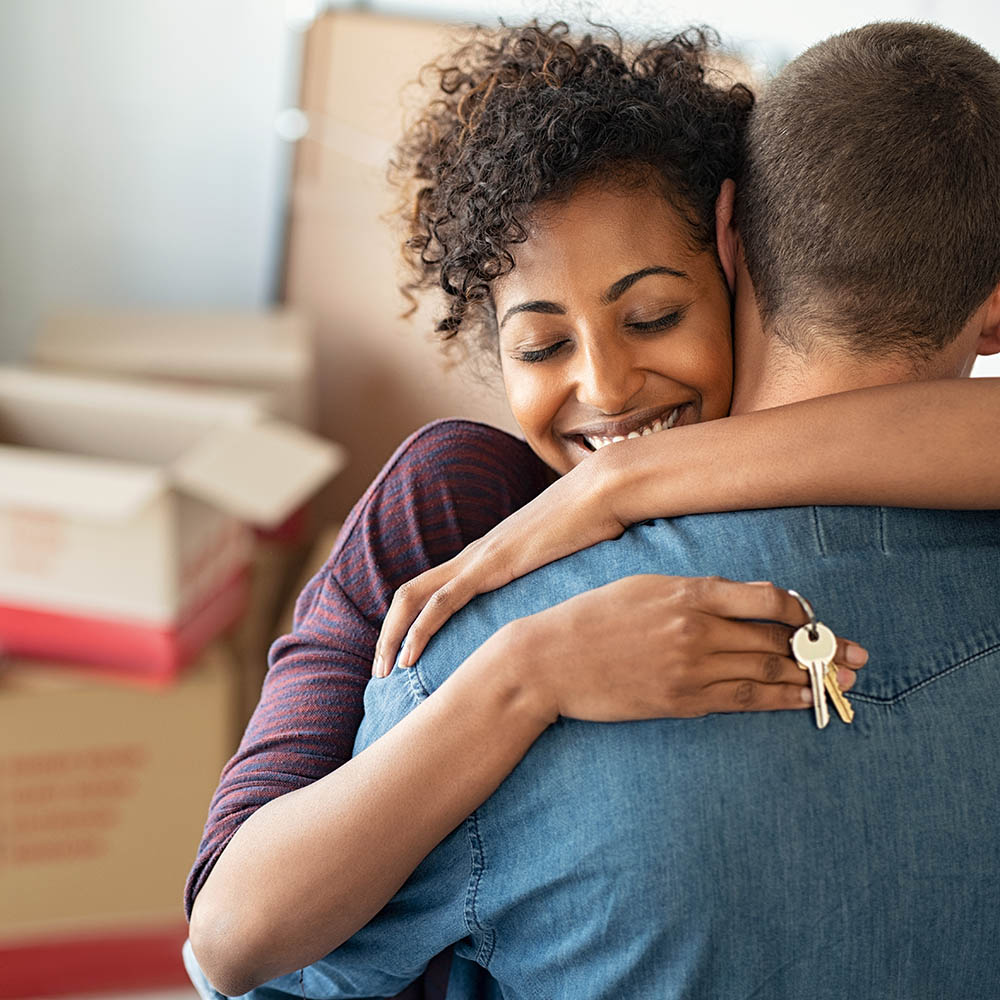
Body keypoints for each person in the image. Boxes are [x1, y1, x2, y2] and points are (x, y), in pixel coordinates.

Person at [185, 21, 1000, 999]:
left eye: (653, 315)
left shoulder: (518, 595)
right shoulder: (446, 530)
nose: (608, 386)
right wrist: (525, 674)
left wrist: (621, 486)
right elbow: (228, 940)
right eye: (541, 347)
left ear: (731, 247)